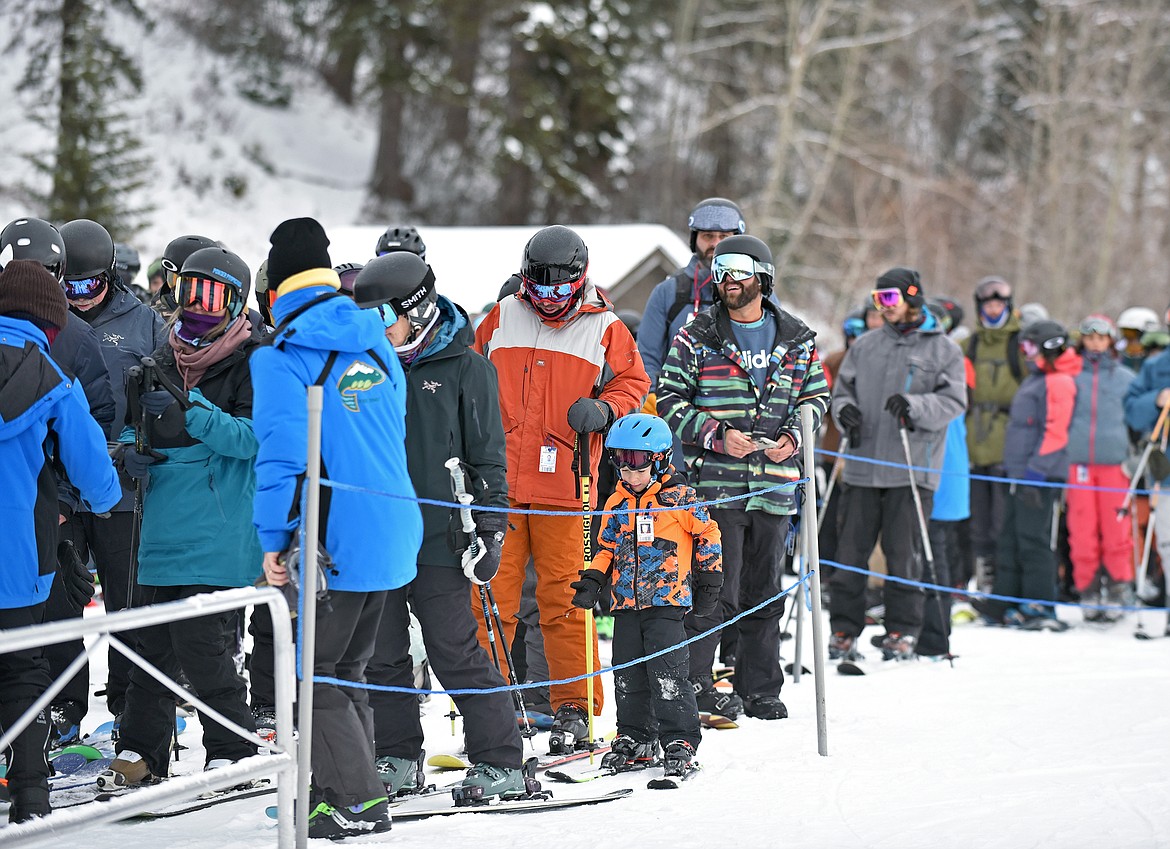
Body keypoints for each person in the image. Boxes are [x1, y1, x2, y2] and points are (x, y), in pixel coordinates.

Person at [251, 217, 422, 839]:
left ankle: (357, 799)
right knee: (345, 668)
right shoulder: (376, 339)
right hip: (395, 524)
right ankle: (337, 790)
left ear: (277, 287)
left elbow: (279, 458)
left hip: (336, 537)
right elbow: (389, 428)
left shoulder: (281, 356)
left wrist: (276, 540)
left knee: (312, 676)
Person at [352, 251, 526, 800]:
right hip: (375, 538)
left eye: (383, 316)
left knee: (455, 652)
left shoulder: (466, 368)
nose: (374, 328)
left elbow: (489, 457)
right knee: (381, 657)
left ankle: (501, 760)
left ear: (417, 309)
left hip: (439, 539)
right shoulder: (361, 365)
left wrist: (491, 531)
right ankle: (396, 756)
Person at [473, 224, 649, 751]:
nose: (548, 299)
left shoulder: (606, 328)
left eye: (559, 288)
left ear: (579, 281)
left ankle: (574, 707)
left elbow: (634, 383)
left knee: (566, 601)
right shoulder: (502, 318)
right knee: (491, 600)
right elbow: (467, 375)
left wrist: (605, 408)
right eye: (538, 287)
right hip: (498, 484)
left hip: (566, 486)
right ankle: (491, 703)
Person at [99, 247, 264, 790]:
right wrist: (129, 453)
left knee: (201, 643)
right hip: (162, 526)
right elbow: (131, 431)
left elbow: (249, 440)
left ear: (236, 302)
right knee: (153, 645)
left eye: (212, 296)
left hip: (217, 524)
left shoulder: (250, 362)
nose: (196, 308)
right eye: (187, 292)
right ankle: (142, 749)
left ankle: (231, 745)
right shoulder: (161, 359)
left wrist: (192, 411)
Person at [657, 234, 828, 720]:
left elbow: (816, 400)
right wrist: (715, 434)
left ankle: (760, 686)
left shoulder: (797, 339)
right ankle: (699, 683)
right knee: (715, 590)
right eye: (720, 270)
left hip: (774, 486)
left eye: (738, 270)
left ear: (763, 277)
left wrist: (795, 438)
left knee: (765, 590)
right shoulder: (697, 335)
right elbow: (668, 400)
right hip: (718, 484)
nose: (727, 280)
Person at [0, 259, 121, 822]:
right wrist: (100, 503)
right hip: (17, 556)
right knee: (21, 671)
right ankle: (28, 795)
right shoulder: (52, 378)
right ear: (50, 323)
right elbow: (97, 476)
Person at [49, 218, 164, 742]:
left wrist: (145, 439)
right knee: (62, 599)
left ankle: (128, 704)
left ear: (110, 277)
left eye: (88, 286)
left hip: (121, 489)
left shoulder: (142, 323)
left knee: (126, 600)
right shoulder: (42, 321)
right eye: (68, 285)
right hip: (61, 489)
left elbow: (167, 392)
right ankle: (64, 707)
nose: (78, 298)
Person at [569, 413, 722, 777]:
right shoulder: (617, 502)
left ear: (661, 460)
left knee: (668, 674)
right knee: (628, 674)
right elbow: (606, 545)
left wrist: (709, 578)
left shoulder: (680, 500)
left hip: (666, 604)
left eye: (637, 465)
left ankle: (679, 739)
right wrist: (593, 579)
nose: (629, 473)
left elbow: (709, 532)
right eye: (621, 464)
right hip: (626, 605)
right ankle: (635, 735)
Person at [829, 268, 966, 660]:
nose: (882, 307)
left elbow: (954, 401)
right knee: (850, 553)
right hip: (863, 463)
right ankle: (843, 629)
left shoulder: (944, 350)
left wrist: (916, 406)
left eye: (889, 299)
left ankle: (903, 630)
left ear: (912, 298)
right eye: (877, 299)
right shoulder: (866, 346)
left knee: (902, 554)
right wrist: (845, 413)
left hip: (911, 466)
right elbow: (842, 393)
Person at [976, 319, 1079, 630]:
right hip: (1019, 473)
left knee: (1034, 539)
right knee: (1009, 537)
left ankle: (1039, 603)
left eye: (1031, 347)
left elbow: (1056, 432)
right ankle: (1005, 600)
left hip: (1040, 476)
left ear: (1050, 346)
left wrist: (1037, 471)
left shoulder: (1059, 381)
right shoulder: (1038, 377)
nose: (1026, 353)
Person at [637, 198, 746, 402]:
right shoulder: (668, 292)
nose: (715, 243)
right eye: (708, 236)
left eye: (724, 236)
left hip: (738, 412)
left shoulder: (754, 292)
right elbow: (646, 356)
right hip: (677, 410)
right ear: (694, 239)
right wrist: (652, 395)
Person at [1067, 315, 1135, 620]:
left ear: (1111, 340)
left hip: (1114, 465)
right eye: (1090, 337)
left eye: (1101, 337)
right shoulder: (1070, 374)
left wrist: (1133, 457)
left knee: (1116, 530)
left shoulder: (1125, 378)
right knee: (1082, 530)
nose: (1095, 343)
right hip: (1079, 463)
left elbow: (1139, 419)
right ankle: (1089, 589)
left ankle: (1120, 587)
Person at [965, 276, 1024, 594]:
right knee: (979, 520)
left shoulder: (1019, 343)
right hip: (975, 440)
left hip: (1007, 441)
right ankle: (984, 576)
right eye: (988, 305)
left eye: (999, 304)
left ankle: (1005, 580)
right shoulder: (971, 344)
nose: (993, 310)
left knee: (1003, 519)